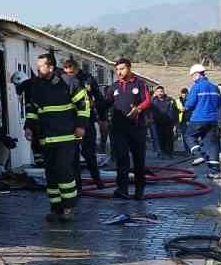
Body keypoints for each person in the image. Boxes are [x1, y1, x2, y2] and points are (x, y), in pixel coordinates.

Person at [24, 53, 89, 222]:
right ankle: (55, 208)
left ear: (51, 67)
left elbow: (83, 105)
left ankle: (69, 207)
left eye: (40, 66)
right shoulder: (37, 85)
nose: (37, 69)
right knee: (51, 174)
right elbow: (33, 109)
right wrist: (29, 127)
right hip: (46, 138)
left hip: (66, 137)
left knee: (64, 171)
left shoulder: (69, 82)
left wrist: (81, 126)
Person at [103, 57, 152, 199]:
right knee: (122, 159)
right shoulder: (114, 87)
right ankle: (122, 189)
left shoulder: (140, 84)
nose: (119, 72)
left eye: (122, 69)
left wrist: (138, 109)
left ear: (129, 68)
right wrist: (101, 116)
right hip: (119, 129)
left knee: (138, 160)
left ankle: (139, 190)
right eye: (117, 70)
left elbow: (147, 100)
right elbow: (106, 103)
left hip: (137, 128)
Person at [62, 58, 104, 189]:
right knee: (73, 154)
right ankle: (77, 186)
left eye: (72, 72)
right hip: (70, 121)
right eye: (67, 73)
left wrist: (102, 118)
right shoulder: (61, 80)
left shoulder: (88, 79)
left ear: (77, 69)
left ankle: (97, 180)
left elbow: (99, 98)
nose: (70, 75)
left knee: (88, 152)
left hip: (87, 120)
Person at [185, 64, 221, 176]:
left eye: (192, 76)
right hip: (213, 120)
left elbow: (190, 104)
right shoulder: (215, 87)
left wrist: (185, 107)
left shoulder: (196, 87)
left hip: (198, 118)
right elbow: (219, 105)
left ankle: (198, 155)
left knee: (189, 136)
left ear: (197, 75)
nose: (192, 78)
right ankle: (215, 171)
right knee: (212, 144)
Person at [151, 85, 180, 157]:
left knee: (169, 139)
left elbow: (175, 112)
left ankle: (169, 153)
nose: (160, 93)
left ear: (164, 92)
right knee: (159, 139)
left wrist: (175, 124)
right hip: (157, 124)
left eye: (161, 91)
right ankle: (161, 153)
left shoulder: (170, 100)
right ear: (155, 93)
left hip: (168, 123)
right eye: (158, 92)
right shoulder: (153, 101)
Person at [177, 88, 193, 153]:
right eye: (183, 94)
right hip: (182, 121)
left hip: (190, 120)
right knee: (184, 136)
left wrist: (186, 108)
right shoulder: (178, 101)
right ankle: (187, 150)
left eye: (186, 94)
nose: (184, 95)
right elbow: (175, 109)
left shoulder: (191, 100)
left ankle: (191, 149)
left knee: (191, 136)